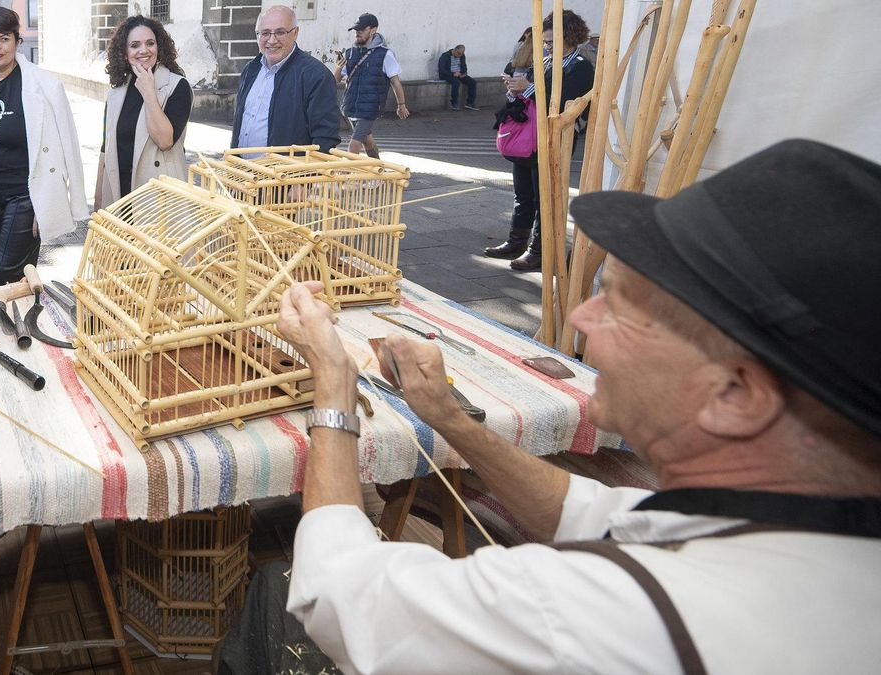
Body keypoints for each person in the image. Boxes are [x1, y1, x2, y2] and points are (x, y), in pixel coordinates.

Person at [260, 139, 881, 673]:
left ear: (737, 395)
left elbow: (340, 596)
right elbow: (586, 512)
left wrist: (333, 382)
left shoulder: (598, 617)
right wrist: (448, 416)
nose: (582, 317)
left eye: (619, 305)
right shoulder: (808, 540)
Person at [0, 6, 88, 286]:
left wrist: (46, 203)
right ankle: (24, 326)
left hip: (25, 194)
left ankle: (10, 325)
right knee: (20, 274)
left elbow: (65, 147)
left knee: (6, 273)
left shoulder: (43, 86)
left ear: (17, 41)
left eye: (4, 38)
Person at [485, 10, 594, 272]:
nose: (547, 46)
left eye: (552, 42)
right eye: (546, 42)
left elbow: (565, 100)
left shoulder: (580, 65)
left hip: (555, 137)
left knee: (545, 197)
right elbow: (528, 100)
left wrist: (528, 88)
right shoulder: (544, 62)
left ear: (569, 37)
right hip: (528, 136)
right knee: (523, 194)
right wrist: (514, 90)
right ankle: (516, 241)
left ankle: (540, 250)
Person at [95, 15, 192, 210]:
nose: (143, 50)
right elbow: (106, 148)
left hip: (158, 199)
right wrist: (98, 200)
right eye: (135, 45)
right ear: (124, 52)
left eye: (150, 43)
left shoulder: (177, 86)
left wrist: (149, 91)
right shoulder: (116, 92)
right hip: (119, 196)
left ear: (159, 47)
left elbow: (165, 141)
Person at [231, 4, 339, 155]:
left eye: (280, 32)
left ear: (295, 33)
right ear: (257, 35)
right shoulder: (251, 69)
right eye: (265, 33)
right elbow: (240, 125)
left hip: (285, 176)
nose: (272, 40)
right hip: (242, 172)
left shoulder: (316, 76)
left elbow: (325, 140)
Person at [335, 13, 410, 159]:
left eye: (362, 29)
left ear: (373, 30)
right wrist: (338, 67)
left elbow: (395, 81)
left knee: (354, 144)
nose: (357, 33)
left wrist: (402, 105)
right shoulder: (349, 53)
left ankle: (350, 178)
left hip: (370, 107)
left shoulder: (385, 54)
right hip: (350, 105)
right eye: (356, 30)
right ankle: (378, 168)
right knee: (367, 141)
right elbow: (334, 81)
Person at [437, 44, 477, 111]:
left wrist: (463, 73)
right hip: (448, 75)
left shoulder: (462, 56)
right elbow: (441, 69)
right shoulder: (445, 56)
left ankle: (470, 103)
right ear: (455, 50)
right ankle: (454, 103)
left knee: (472, 82)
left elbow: (464, 66)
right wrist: (453, 74)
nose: (460, 55)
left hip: (459, 74)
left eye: (461, 54)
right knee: (456, 82)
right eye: (458, 53)